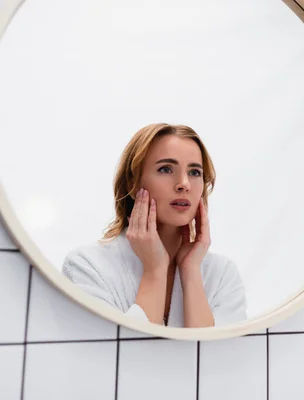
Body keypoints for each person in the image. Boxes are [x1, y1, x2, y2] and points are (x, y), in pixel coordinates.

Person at [61, 123, 247, 328]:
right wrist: (155, 270)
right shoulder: (87, 266)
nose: (184, 183)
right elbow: (114, 356)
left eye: (195, 172)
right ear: (133, 184)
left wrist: (191, 270)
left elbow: (219, 358)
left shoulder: (222, 274)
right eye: (165, 169)